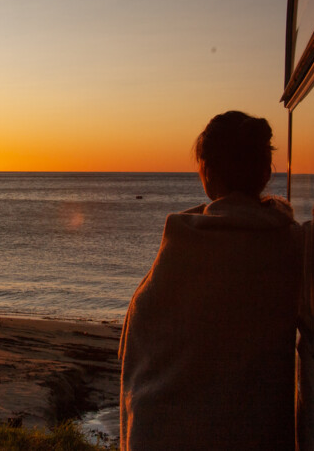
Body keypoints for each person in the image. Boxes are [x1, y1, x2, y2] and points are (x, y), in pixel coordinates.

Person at [118, 111, 302, 450]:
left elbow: (149, 341)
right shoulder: (291, 244)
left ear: (208, 171)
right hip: (252, 434)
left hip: (163, 433)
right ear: (265, 172)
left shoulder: (185, 239)